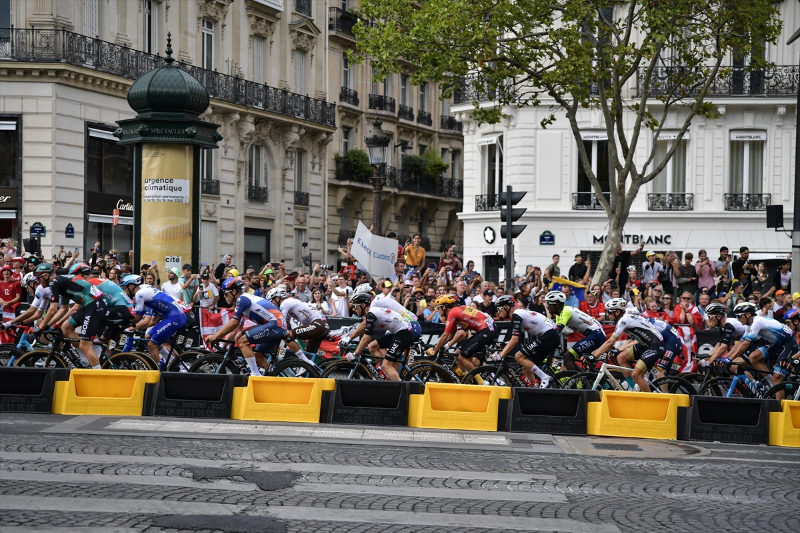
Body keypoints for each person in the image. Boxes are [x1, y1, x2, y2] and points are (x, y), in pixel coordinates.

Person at [593, 298, 679, 393]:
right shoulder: (625, 319)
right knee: (621, 357)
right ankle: (632, 388)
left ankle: (651, 402)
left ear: (617, 312)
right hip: (646, 343)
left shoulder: (624, 320)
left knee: (636, 374)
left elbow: (610, 342)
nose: (607, 314)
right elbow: (635, 340)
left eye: (609, 312)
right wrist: (613, 350)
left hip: (659, 344)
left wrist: (594, 355)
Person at [204, 278, 286, 375]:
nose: (224, 296)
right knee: (257, 356)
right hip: (276, 325)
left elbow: (233, 323)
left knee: (243, 341)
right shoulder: (243, 302)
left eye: (226, 293)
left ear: (234, 291)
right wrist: (223, 345)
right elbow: (236, 329)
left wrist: (215, 336)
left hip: (275, 324)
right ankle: (275, 377)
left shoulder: (242, 299)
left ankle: (255, 375)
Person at [34, 263, 108, 369]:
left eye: (38, 278)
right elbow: (63, 309)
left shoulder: (55, 282)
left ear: (45, 276)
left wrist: (41, 327)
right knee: (66, 327)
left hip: (94, 305)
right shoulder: (61, 282)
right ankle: (85, 360)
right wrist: (50, 326)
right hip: (90, 304)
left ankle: (99, 376)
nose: (38, 282)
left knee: (84, 344)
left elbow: (52, 309)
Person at [726, 302, 799, 398]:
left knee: (776, 380)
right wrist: (726, 357)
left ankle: (779, 408)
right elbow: (740, 343)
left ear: (748, 315)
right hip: (777, 344)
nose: (738, 319)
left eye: (739, 316)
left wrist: (729, 359)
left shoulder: (757, 322)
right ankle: (771, 384)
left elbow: (746, 344)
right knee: (754, 357)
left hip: (788, 345)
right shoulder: (749, 325)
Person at [122, 274, 194, 368]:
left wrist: (127, 325)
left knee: (152, 344)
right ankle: (178, 365)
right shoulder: (149, 296)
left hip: (175, 317)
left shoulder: (139, 294)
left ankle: (159, 369)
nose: (124, 291)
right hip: (176, 316)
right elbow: (150, 322)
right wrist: (134, 327)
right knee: (148, 336)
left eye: (125, 288)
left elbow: (137, 318)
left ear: (131, 286)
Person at [493, 296, 557, 388]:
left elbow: (515, 340)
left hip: (549, 335)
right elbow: (513, 339)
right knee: (527, 368)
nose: (498, 312)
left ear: (507, 307)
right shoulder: (519, 314)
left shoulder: (516, 314)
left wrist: (500, 355)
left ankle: (545, 377)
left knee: (518, 356)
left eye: (499, 309)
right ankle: (535, 391)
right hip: (549, 335)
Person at [348, 291, 413, 381]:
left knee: (386, 365)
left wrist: (355, 353)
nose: (353, 309)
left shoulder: (371, 314)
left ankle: (402, 389)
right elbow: (363, 331)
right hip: (399, 332)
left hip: (404, 333)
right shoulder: (371, 313)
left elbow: (367, 337)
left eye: (355, 306)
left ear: (363, 305)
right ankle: (387, 375)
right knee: (372, 346)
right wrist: (349, 339)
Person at [427, 295, 497, 376]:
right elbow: (450, 336)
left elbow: (445, 336)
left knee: (462, 357)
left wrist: (434, 350)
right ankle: (465, 376)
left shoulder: (452, 313)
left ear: (444, 307)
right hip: (487, 329)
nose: (437, 310)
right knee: (458, 353)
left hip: (486, 331)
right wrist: (446, 346)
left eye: (438, 308)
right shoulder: (458, 310)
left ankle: (482, 382)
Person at [544, 291, 605, 371]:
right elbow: (554, 332)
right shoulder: (559, 315)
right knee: (569, 358)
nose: (546, 306)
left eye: (548, 304)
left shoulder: (565, 311)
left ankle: (575, 382)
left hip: (596, 334)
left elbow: (555, 333)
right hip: (594, 334)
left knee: (568, 356)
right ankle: (583, 380)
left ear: (557, 304)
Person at [268, 287, 329, 359]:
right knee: (308, 355)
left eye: (271, 301)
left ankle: (305, 362)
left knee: (287, 336)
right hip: (321, 325)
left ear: (277, 298)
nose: (271, 304)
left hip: (318, 324)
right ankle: (308, 366)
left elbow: (280, 321)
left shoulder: (285, 303)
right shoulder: (289, 303)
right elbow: (285, 324)